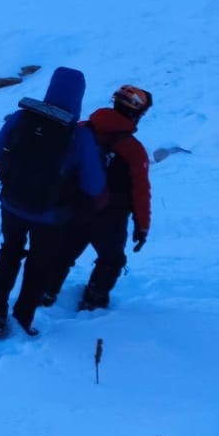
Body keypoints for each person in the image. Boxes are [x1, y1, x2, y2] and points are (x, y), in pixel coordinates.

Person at [0, 66, 104, 338]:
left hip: (13, 203)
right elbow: (94, 185)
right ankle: (23, 318)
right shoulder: (79, 135)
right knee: (39, 262)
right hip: (51, 213)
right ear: (79, 97)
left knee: (10, 251)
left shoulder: (22, 117)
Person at [45, 85, 155, 311]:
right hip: (110, 218)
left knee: (61, 254)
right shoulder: (133, 149)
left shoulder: (81, 129)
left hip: (73, 207)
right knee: (111, 260)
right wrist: (142, 226)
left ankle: (45, 293)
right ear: (134, 114)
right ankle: (93, 300)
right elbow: (140, 190)